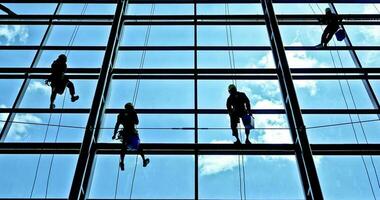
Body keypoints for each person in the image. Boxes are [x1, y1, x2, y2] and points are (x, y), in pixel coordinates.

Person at [112, 103, 150, 171]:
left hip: (126, 133)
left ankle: (122, 162)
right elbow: (137, 122)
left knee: (124, 147)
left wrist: (114, 134)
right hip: (133, 133)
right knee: (138, 146)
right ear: (131, 107)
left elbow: (117, 125)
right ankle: (144, 160)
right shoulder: (132, 112)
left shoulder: (121, 114)